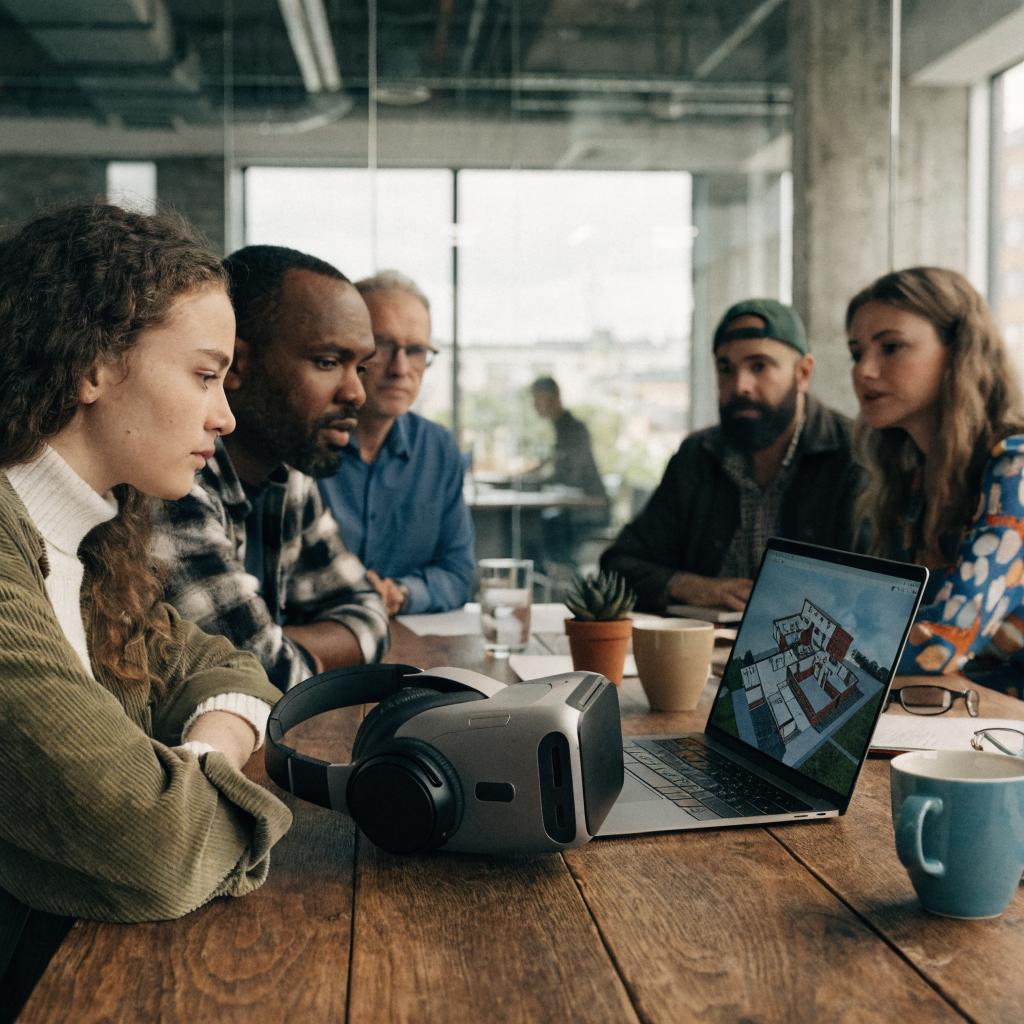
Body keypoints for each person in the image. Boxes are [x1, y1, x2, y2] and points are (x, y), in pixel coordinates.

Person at [0, 203, 292, 1004]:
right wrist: (204, 776)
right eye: (204, 375)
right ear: (93, 365)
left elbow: (234, 669)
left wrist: (194, 763)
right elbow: (156, 845)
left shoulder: (90, 546)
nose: (225, 416)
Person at [151, 245, 390, 692]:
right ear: (236, 363)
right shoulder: (172, 482)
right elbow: (260, 676)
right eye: (327, 362)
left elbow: (370, 614)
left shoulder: (289, 473)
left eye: (361, 367)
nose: (357, 393)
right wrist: (289, 654)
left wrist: (286, 648)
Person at [601, 298, 861, 613]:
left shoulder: (856, 455)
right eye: (726, 369)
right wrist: (693, 587)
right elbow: (619, 565)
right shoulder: (697, 455)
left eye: (759, 366)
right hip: (704, 643)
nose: (740, 386)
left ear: (803, 373)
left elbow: (873, 595)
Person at [847, 266, 1024, 688]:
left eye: (891, 347)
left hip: (1003, 722)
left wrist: (809, 652)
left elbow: (944, 638)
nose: (864, 370)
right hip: (943, 710)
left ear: (958, 352)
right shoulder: (914, 472)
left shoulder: (1016, 468)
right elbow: (882, 614)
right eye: (856, 353)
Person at [317, 271, 474, 615]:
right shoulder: (306, 443)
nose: (400, 368)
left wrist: (401, 593)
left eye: (416, 350)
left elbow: (459, 574)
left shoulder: (438, 449)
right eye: (382, 347)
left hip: (408, 636)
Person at [524, 376, 610, 567]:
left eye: (537, 399)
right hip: (574, 509)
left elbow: (571, 475)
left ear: (553, 399)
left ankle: (557, 575)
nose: (535, 405)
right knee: (533, 527)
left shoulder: (574, 429)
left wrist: (537, 481)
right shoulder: (561, 428)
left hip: (587, 511)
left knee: (535, 530)